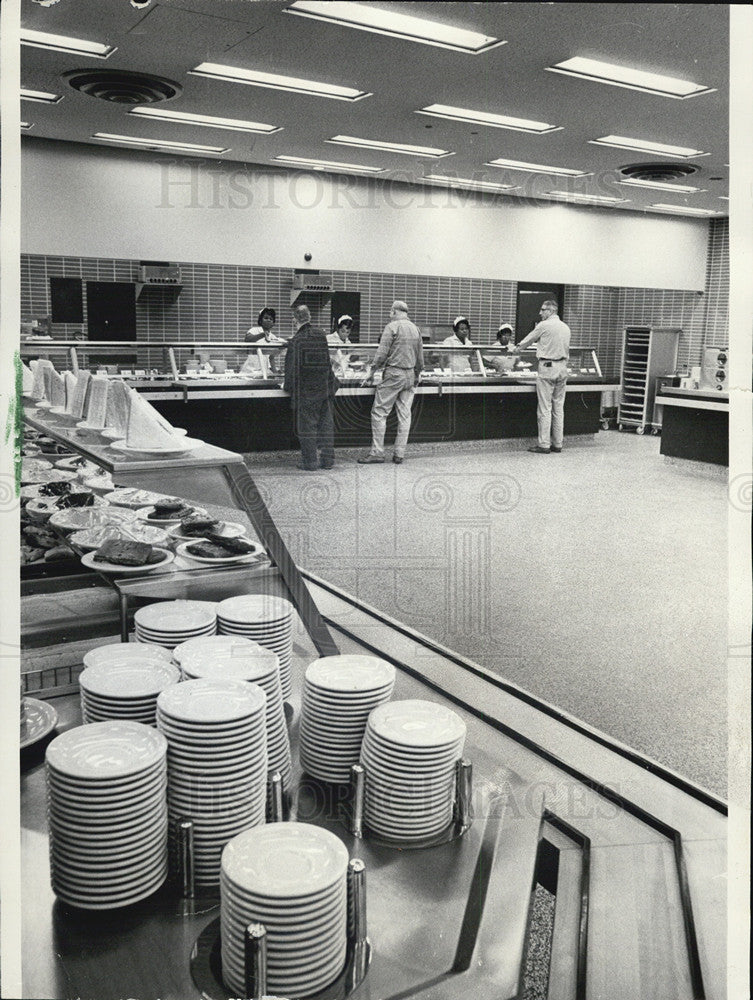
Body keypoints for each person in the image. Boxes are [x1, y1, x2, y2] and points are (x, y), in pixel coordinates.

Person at [358, 300, 424, 465]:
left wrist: (371, 372)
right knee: (404, 414)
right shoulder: (416, 329)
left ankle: (377, 452)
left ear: (395, 311)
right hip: (410, 374)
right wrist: (417, 374)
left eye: (390, 311)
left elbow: (381, 354)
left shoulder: (392, 327)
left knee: (379, 412)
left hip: (394, 374)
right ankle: (399, 453)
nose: (390, 314)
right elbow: (420, 358)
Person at [510, 300, 571, 453]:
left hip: (547, 368)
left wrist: (516, 349)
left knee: (545, 408)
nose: (540, 313)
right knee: (559, 407)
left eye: (543, 310)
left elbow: (528, 340)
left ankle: (544, 444)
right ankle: (558, 444)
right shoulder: (565, 327)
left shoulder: (543, 326)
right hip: (563, 368)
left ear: (551, 311)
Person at [283, 304, 338, 470]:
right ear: (309, 318)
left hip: (306, 392)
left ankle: (310, 462)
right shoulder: (321, 335)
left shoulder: (296, 341)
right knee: (326, 426)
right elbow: (327, 362)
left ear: (295, 321)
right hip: (324, 388)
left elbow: (292, 370)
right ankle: (328, 461)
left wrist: (287, 386)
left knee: (307, 427)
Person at [242, 307, 286, 375]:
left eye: (271, 319)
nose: (268, 320)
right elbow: (247, 339)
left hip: (264, 372)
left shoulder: (273, 337)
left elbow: (271, 358)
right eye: (266, 318)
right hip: (250, 371)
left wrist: (275, 373)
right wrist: (263, 334)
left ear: (273, 323)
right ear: (260, 320)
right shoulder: (254, 330)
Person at [327, 314, 354, 379]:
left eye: (347, 332)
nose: (345, 334)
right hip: (330, 372)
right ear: (338, 329)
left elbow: (347, 359)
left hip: (343, 372)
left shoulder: (348, 342)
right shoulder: (329, 338)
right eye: (343, 331)